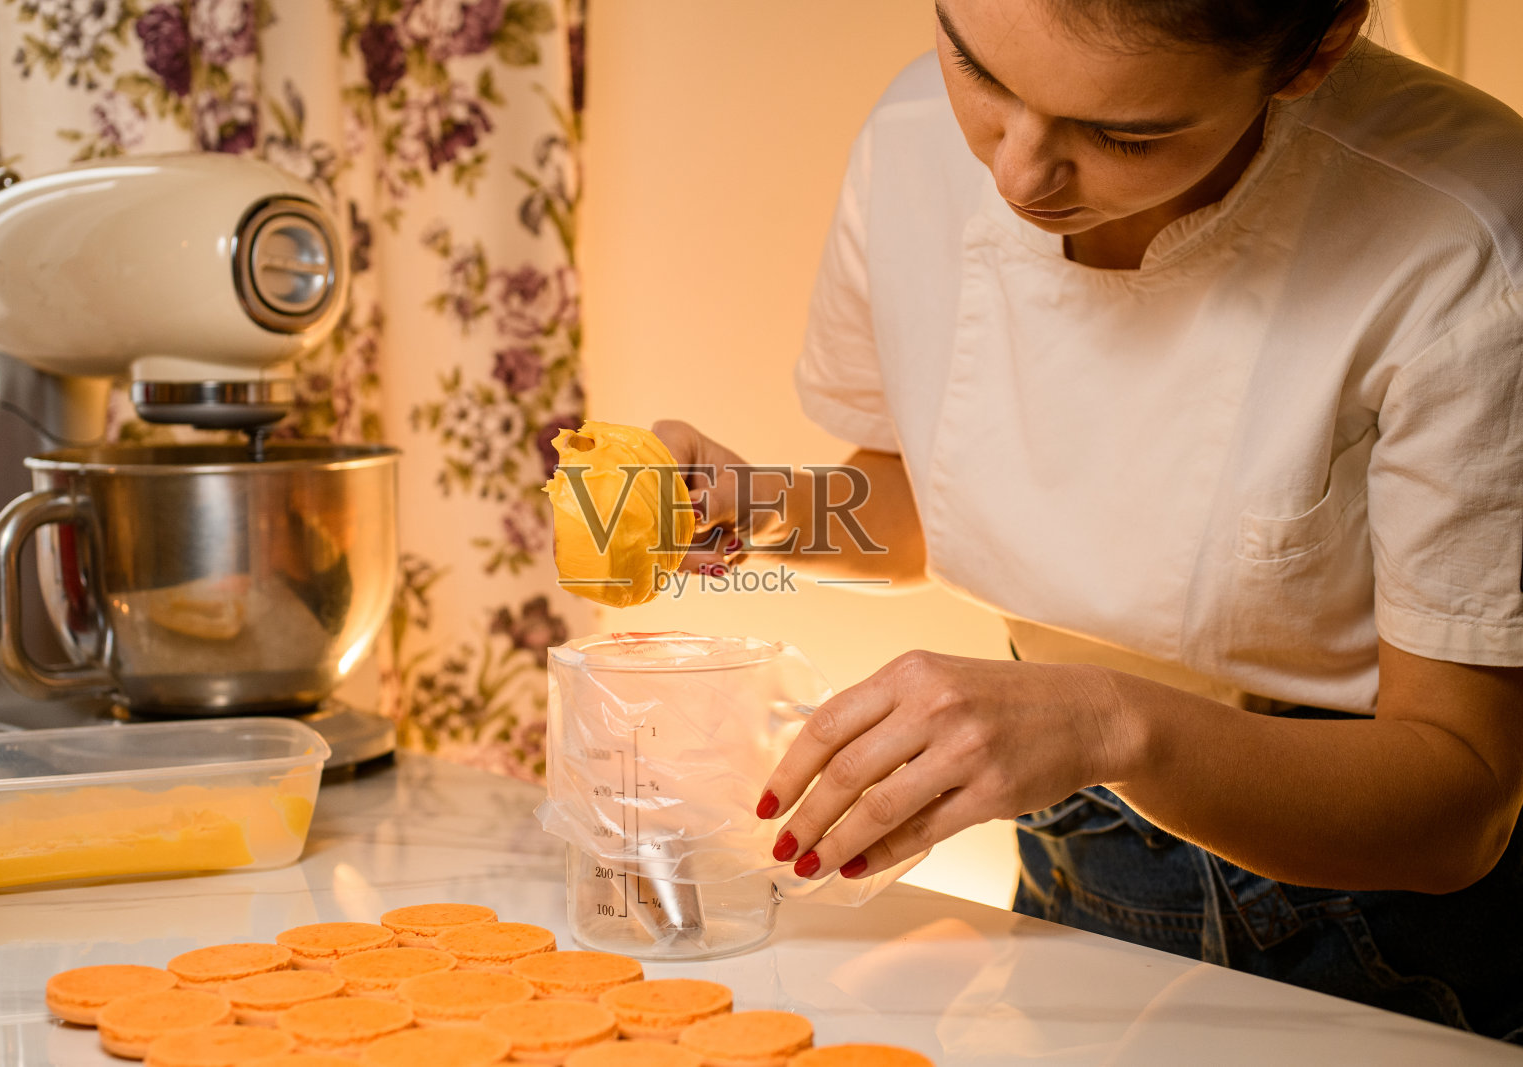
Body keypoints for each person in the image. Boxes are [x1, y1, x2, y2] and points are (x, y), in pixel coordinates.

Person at [653, 0, 1523, 1042]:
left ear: (1313, 52)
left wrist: (1104, 724)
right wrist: (756, 511)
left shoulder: (1466, 238)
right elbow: (937, 500)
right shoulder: (910, 134)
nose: (1017, 174)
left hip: (1374, 924)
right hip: (1066, 857)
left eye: (1124, 136)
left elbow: (1459, 804)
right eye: (977, 69)